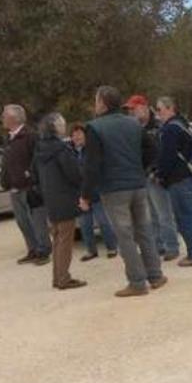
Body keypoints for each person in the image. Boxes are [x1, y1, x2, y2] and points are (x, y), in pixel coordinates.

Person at [81, 85, 167, 297]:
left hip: (114, 189)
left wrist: (86, 195)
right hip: (138, 185)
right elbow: (153, 149)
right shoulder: (133, 123)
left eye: (96, 100)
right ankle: (156, 275)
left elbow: (92, 165)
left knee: (125, 236)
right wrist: (141, 168)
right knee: (144, 231)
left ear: (102, 103)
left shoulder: (94, 127)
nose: (94, 104)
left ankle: (137, 283)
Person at [32, 113, 87, 290]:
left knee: (57, 240)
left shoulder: (40, 148)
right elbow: (74, 174)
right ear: (55, 128)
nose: (65, 126)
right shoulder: (61, 149)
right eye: (62, 124)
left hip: (50, 199)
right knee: (65, 241)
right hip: (65, 199)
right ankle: (63, 278)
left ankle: (57, 277)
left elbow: (34, 176)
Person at [155, 96, 192, 267]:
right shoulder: (183, 124)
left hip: (179, 179)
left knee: (184, 218)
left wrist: (160, 175)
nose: (158, 113)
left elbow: (167, 156)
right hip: (191, 177)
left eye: (159, 109)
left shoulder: (170, 129)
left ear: (170, 108)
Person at [125, 94, 180, 262]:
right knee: (151, 215)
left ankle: (172, 246)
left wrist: (157, 172)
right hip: (141, 177)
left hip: (156, 176)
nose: (131, 113)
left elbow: (163, 152)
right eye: (129, 110)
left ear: (143, 107)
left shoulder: (159, 125)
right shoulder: (134, 128)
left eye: (133, 109)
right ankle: (158, 246)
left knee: (164, 213)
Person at [0, 104, 51, 265]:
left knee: (37, 221)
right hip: (14, 188)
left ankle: (44, 251)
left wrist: (33, 179)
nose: (1, 118)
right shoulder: (9, 138)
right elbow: (7, 162)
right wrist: (4, 179)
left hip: (30, 188)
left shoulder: (31, 136)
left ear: (13, 118)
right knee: (22, 222)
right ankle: (33, 249)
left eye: (4, 115)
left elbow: (40, 161)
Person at [70, 123, 118, 261]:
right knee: (85, 225)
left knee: (103, 221)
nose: (77, 137)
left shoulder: (91, 150)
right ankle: (91, 250)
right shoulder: (70, 152)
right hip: (80, 194)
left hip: (96, 192)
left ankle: (112, 247)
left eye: (79, 134)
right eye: (74, 135)